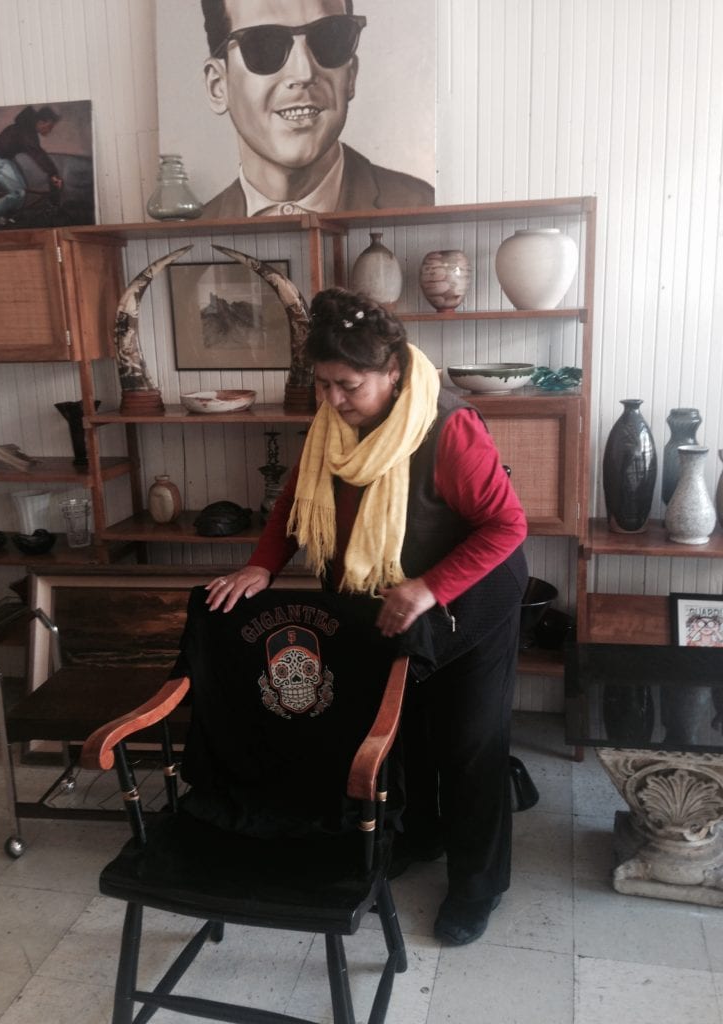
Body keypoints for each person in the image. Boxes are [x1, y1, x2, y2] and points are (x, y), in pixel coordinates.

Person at [205, 287, 529, 946]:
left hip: (469, 599)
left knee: (469, 744)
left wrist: (431, 587)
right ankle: (424, 837)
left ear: (394, 373)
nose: (332, 401)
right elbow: (294, 499)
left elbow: (506, 526)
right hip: (386, 601)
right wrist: (262, 564)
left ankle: (477, 886)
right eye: (322, 385)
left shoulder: (448, 429)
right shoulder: (332, 426)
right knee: (401, 735)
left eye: (347, 386)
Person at [199, 0, 434, 216]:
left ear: (351, 76)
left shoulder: (423, 207)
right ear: (218, 86)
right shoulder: (191, 248)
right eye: (265, 46)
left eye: (328, 39)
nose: (304, 73)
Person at [0, 105, 63, 224]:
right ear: (41, 122)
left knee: (22, 191)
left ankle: (6, 215)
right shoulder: (26, 132)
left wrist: (52, 173)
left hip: (4, 160)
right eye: (49, 127)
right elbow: (38, 154)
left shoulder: (26, 129)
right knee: (18, 193)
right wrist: (52, 174)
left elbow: (36, 152)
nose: (49, 131)